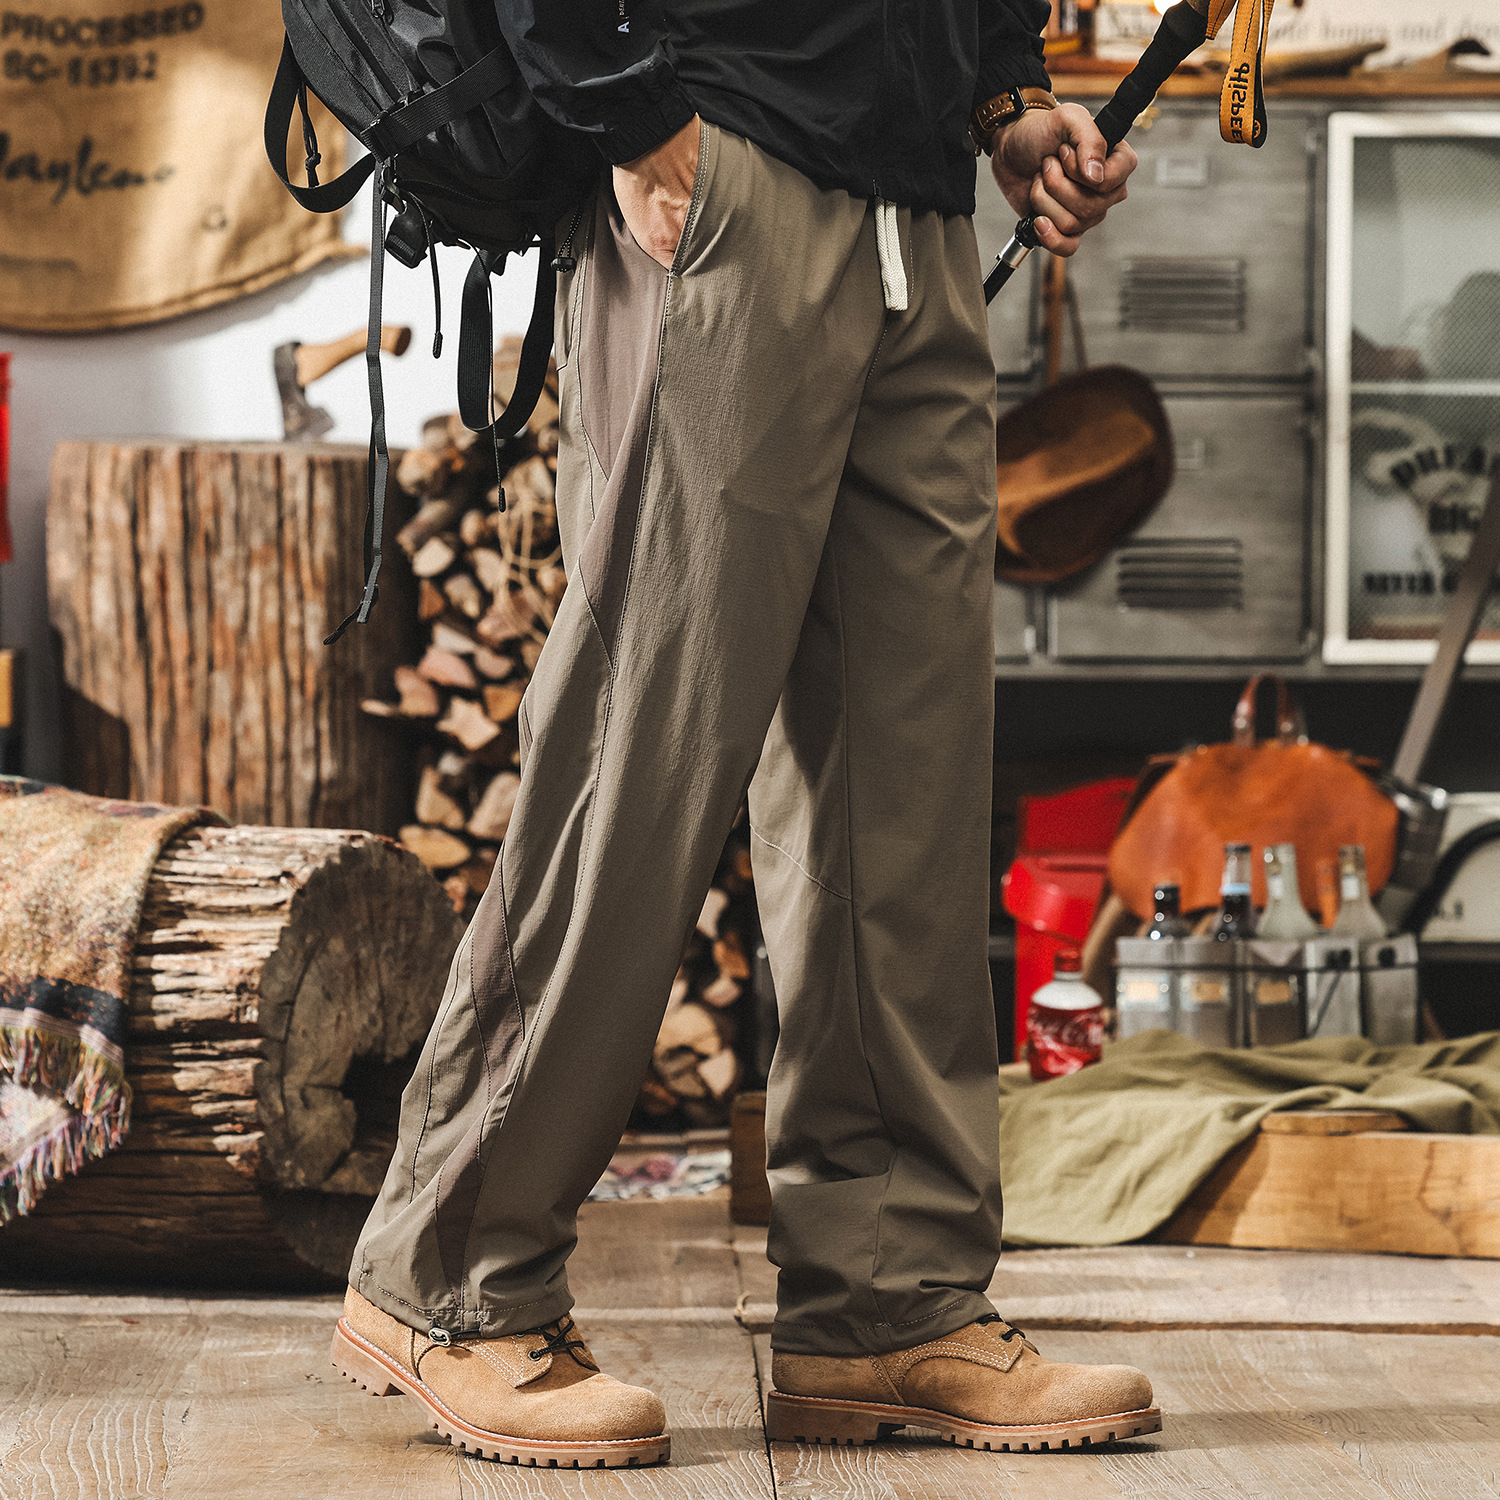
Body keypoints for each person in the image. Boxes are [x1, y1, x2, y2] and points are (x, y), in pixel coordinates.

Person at [332, 0, 1155, 1467]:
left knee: (897, 795)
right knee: (637, 763)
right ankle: (452, 1275)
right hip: (718, 180)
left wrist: (1002, 105)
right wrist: (633, 120)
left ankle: (888, 1301)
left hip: (919, 215)